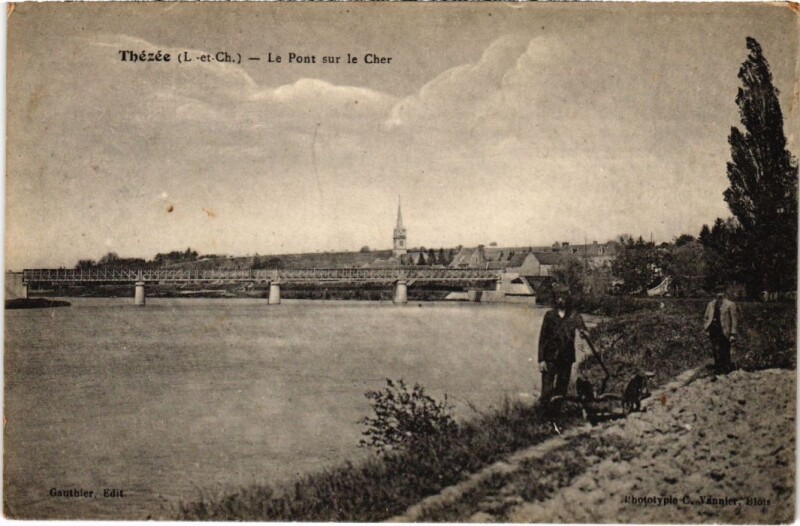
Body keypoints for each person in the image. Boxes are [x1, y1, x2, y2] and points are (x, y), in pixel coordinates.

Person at [538, 284, 592, 404]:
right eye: (558, 297)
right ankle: (544, 417)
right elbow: (542, 338)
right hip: (550, 358)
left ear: (568, 299)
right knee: (547, 390)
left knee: (561, 389)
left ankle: (557, 416)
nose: (561, 300)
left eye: (563, 297)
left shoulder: (574, 316)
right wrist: (541, 360)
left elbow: (584, 330)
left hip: (566, 358)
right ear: (555, 299)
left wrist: (584, 333)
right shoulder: (549, 315)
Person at [703, 284, 738, 374]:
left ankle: (726, 369)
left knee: (725, 350)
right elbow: (706, 317)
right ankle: (718, 369)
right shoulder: (711, 304)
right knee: (716, 350)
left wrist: (733, 334)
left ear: (724, 293)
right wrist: (706, 328)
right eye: (718, 292)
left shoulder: (730, 304)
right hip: (714, 331)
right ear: (715, 294)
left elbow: (734, 320)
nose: (719, 294)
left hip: (725, 331)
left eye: (721, 292)